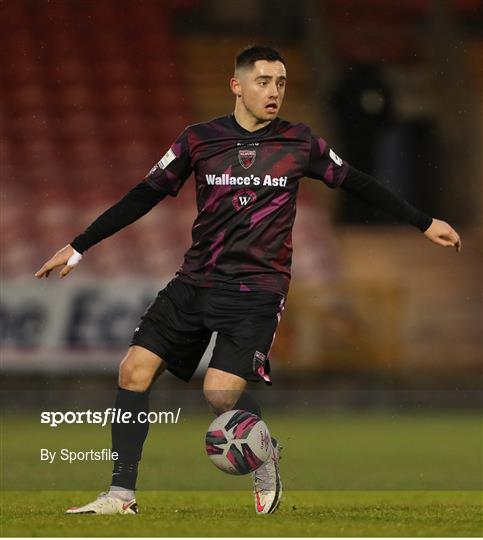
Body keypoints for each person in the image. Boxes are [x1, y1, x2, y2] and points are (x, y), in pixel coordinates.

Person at [35, 45, 461, 516]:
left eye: (280, 82)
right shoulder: (199, 140)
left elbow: (358, 182)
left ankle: (264, 458)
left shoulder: (301, 143)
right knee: (133, 370)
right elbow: (144, 194)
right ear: (236, 85)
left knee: (219, 395)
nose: (274, 91)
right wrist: (79, 245)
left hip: (257, 290)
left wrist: (423, 222)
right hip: (195, 281)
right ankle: (121, 496)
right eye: (263, 81)